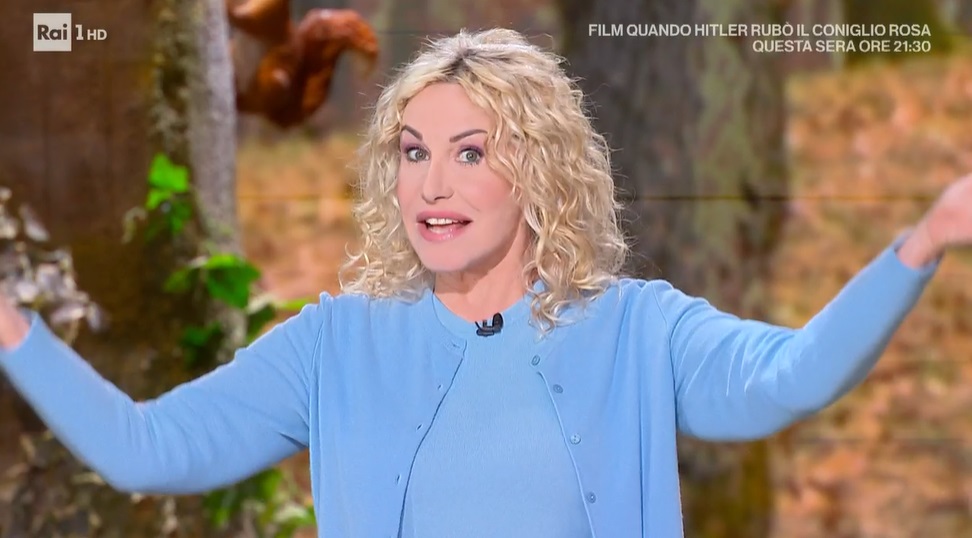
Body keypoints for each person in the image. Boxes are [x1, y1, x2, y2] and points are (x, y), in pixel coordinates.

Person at [1, 28, 970, 538]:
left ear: (540, 172)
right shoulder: (333, 346)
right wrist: (9, 324)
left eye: (470, 152)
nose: (431, 185)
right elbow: (143, 447)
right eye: (413, 151)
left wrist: (924, 240)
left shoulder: (640, 332)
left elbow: (791, 377)